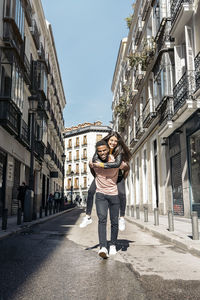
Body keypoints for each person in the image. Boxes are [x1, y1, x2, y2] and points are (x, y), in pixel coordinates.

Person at [80, 131, 131, 230]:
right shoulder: (101, 148)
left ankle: (122, 218)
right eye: (111, 140)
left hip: (117, 174)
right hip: (102, 176)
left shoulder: (119, 150)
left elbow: (117, 164)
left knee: (122, 193)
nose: (113, 143)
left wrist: (102, 165)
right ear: (108, 140)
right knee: (90, 191)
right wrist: (97, 175)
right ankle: (88, 216)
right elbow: (94, 161)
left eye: (115, 141)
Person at [91, 139, 129, 258]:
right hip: (100, 195)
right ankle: (103, 247)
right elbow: (93, 172)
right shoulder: (93, 162)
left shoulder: (115, 160)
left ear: (108, 149)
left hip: (114, 194)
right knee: (102, 220)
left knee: (114, 221)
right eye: (100, 151)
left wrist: (123, 173)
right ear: (97, 152)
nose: (102, 153)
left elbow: (126, 167)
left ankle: (112, 244)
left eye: (104, 150)